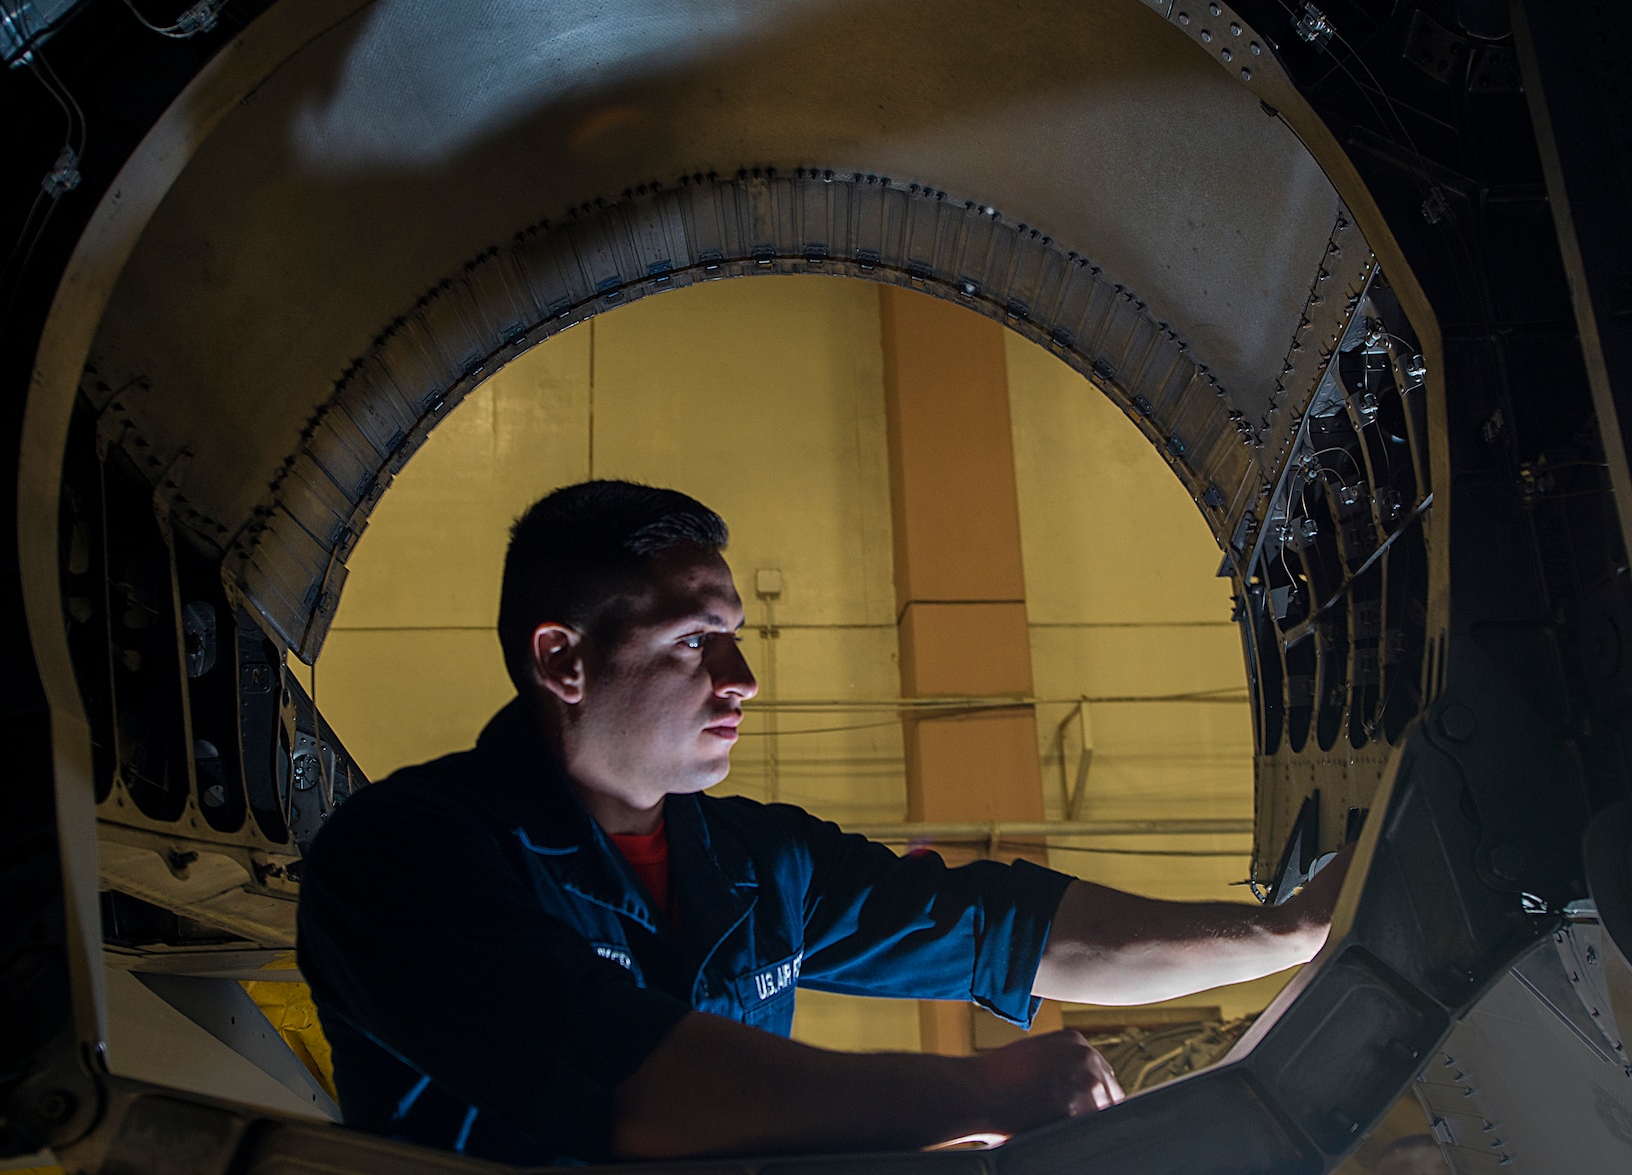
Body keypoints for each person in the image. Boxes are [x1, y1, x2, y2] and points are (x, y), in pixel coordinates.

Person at [298, 482, 1344, 1163]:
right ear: (561, 659)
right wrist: (975, 1088)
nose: (741, 679)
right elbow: (622, 1083)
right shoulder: (403, 857)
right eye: (694, 642)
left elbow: (1003, 930)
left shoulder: (757, 862)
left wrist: (1287, 932)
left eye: (737, 639)